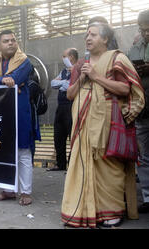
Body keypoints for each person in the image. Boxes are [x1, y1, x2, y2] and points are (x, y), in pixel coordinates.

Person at [61, 22, 144, 228]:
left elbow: (126, 89)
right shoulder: (81, 63)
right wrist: (82, 76)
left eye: (94, 35)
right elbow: (70, 94)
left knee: (109, 165)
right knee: (82, 163)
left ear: (105, 39)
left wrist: (96, 77)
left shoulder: (117, 58)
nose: (88, 38)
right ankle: (85, 210)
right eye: (86, 35)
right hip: (83, 121)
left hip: (108, 120)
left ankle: (113, 212)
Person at [0, 30, 34, 206]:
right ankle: (8, 190)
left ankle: (26, 192)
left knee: (23, 152)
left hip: (21, 112)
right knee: (5, 152)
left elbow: (17, 78)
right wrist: (3, 80)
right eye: (6, 41)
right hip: (2, 112)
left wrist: (2, 80)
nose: (11, 43)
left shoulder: (25, 61)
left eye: (13, 40)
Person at [127, 9, 149, 214]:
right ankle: (148, 197)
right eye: (143, 30)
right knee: (144, 157)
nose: (145, 34)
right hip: (143, 109)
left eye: (148, 30)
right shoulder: (135, 48)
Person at [47, 48, 78, 171]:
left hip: (71, 106)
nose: (63, 58)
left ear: (71, 57)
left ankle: (72, 167)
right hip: (60, 107)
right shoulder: (64, 71)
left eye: (64, 56)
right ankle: (60, 164)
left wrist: (64, 84)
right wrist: (65, 82)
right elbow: (53, 83)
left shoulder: (79, 70)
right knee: (58, 136)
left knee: (73, 136)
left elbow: (70, 87)